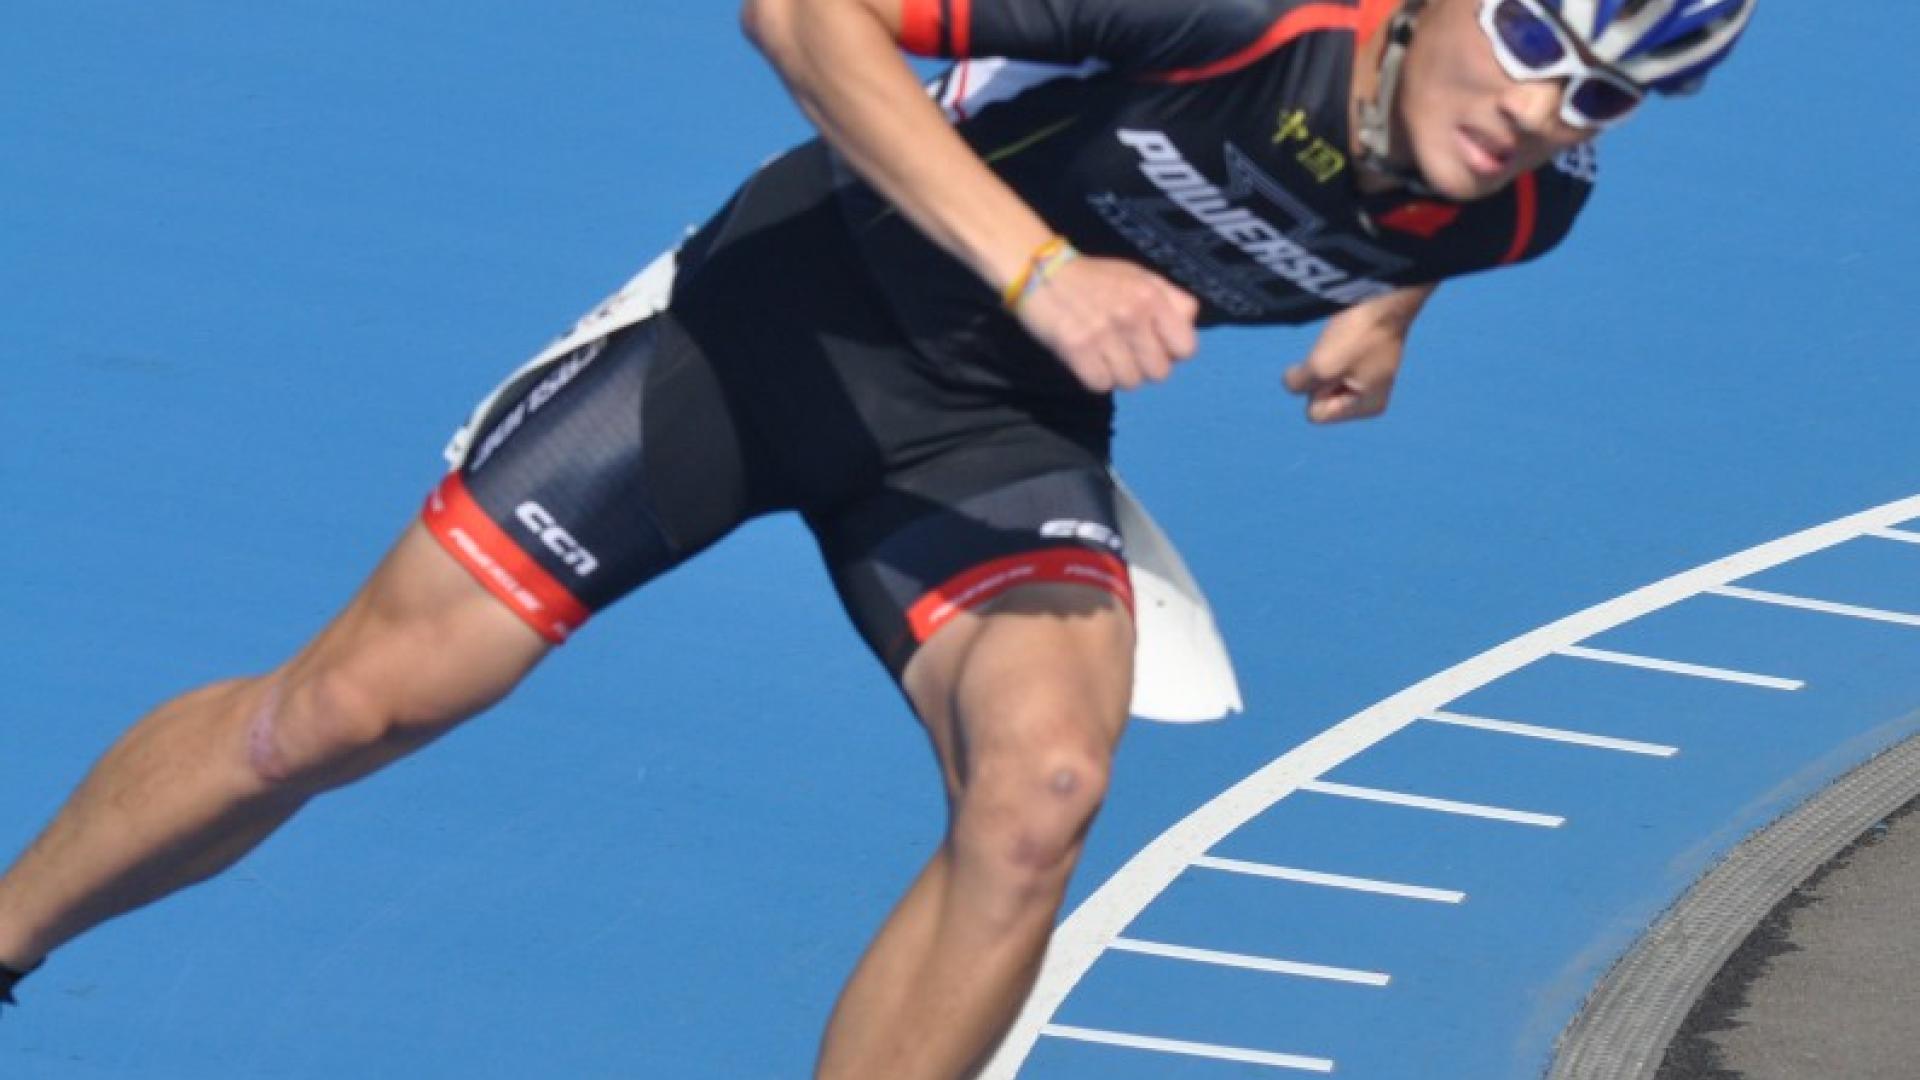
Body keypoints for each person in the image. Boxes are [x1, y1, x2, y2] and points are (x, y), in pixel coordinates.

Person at [0, 0, 1753, 1074]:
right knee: (343, 715)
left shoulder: (1519, 206)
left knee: (1041, 793)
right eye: (1533, 39)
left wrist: (1380, 312)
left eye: (1603, 94)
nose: (1542, 106)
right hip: (772, 326)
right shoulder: (1236, 11)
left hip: (994, 433)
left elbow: (1440, 223)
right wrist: (1042, 271)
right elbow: (799, 19)